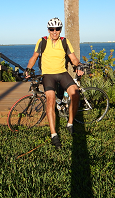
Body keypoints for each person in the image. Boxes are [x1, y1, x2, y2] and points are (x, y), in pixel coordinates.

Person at [24, 17, 83, 149]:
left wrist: (79, 66)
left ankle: (70, 124)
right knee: (50, 100)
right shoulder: (42, 41)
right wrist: (28, 68)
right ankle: (54, 135)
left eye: (57, 29)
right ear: (48, 30)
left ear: (60, 30)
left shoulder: (65, 42)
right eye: (52, 29)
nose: (54, 31)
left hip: (62, 73)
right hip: (48, 75)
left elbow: (73, 58)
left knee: (75, 94)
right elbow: (34, 57)